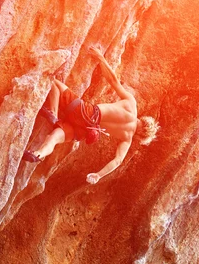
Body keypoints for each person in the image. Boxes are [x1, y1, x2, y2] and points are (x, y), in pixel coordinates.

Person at [23, 46, 157, 184]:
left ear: (146, 121)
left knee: (54, 83)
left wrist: (100, 58)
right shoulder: (127, 140)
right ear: (141, 136)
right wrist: (98, 175)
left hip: (86, 113)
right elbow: (117, 161)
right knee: (53, 138)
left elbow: (113, 81)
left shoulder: (131, 105)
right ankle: (38, 154)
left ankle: (53, 114)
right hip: (84, 131)